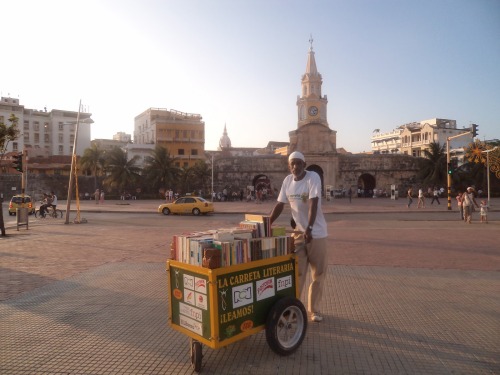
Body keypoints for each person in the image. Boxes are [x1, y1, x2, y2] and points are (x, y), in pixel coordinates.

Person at [270, 151, 328, 323]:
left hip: (316, 234)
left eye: (299, 163)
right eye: (292, 163)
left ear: (304, 164)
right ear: (289, 165)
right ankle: (293, 309)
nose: (295, 166)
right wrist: (267, 223)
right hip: (299, 234)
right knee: (297, 272)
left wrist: (309, 227)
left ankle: (314, 310)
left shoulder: (313, 177)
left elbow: (313, 203)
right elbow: (279, 205)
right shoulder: (287, 181)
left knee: (318, 273)